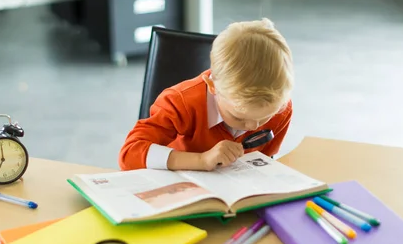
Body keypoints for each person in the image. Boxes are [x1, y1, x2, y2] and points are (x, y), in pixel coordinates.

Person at [118, 18, 294, 171]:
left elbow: (264, 163)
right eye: (238, 117)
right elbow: (129, 154)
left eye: (265, 117)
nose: (254, 126)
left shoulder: (280, 108)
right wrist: (201, 160)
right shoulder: (180, 102)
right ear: (212, 86)